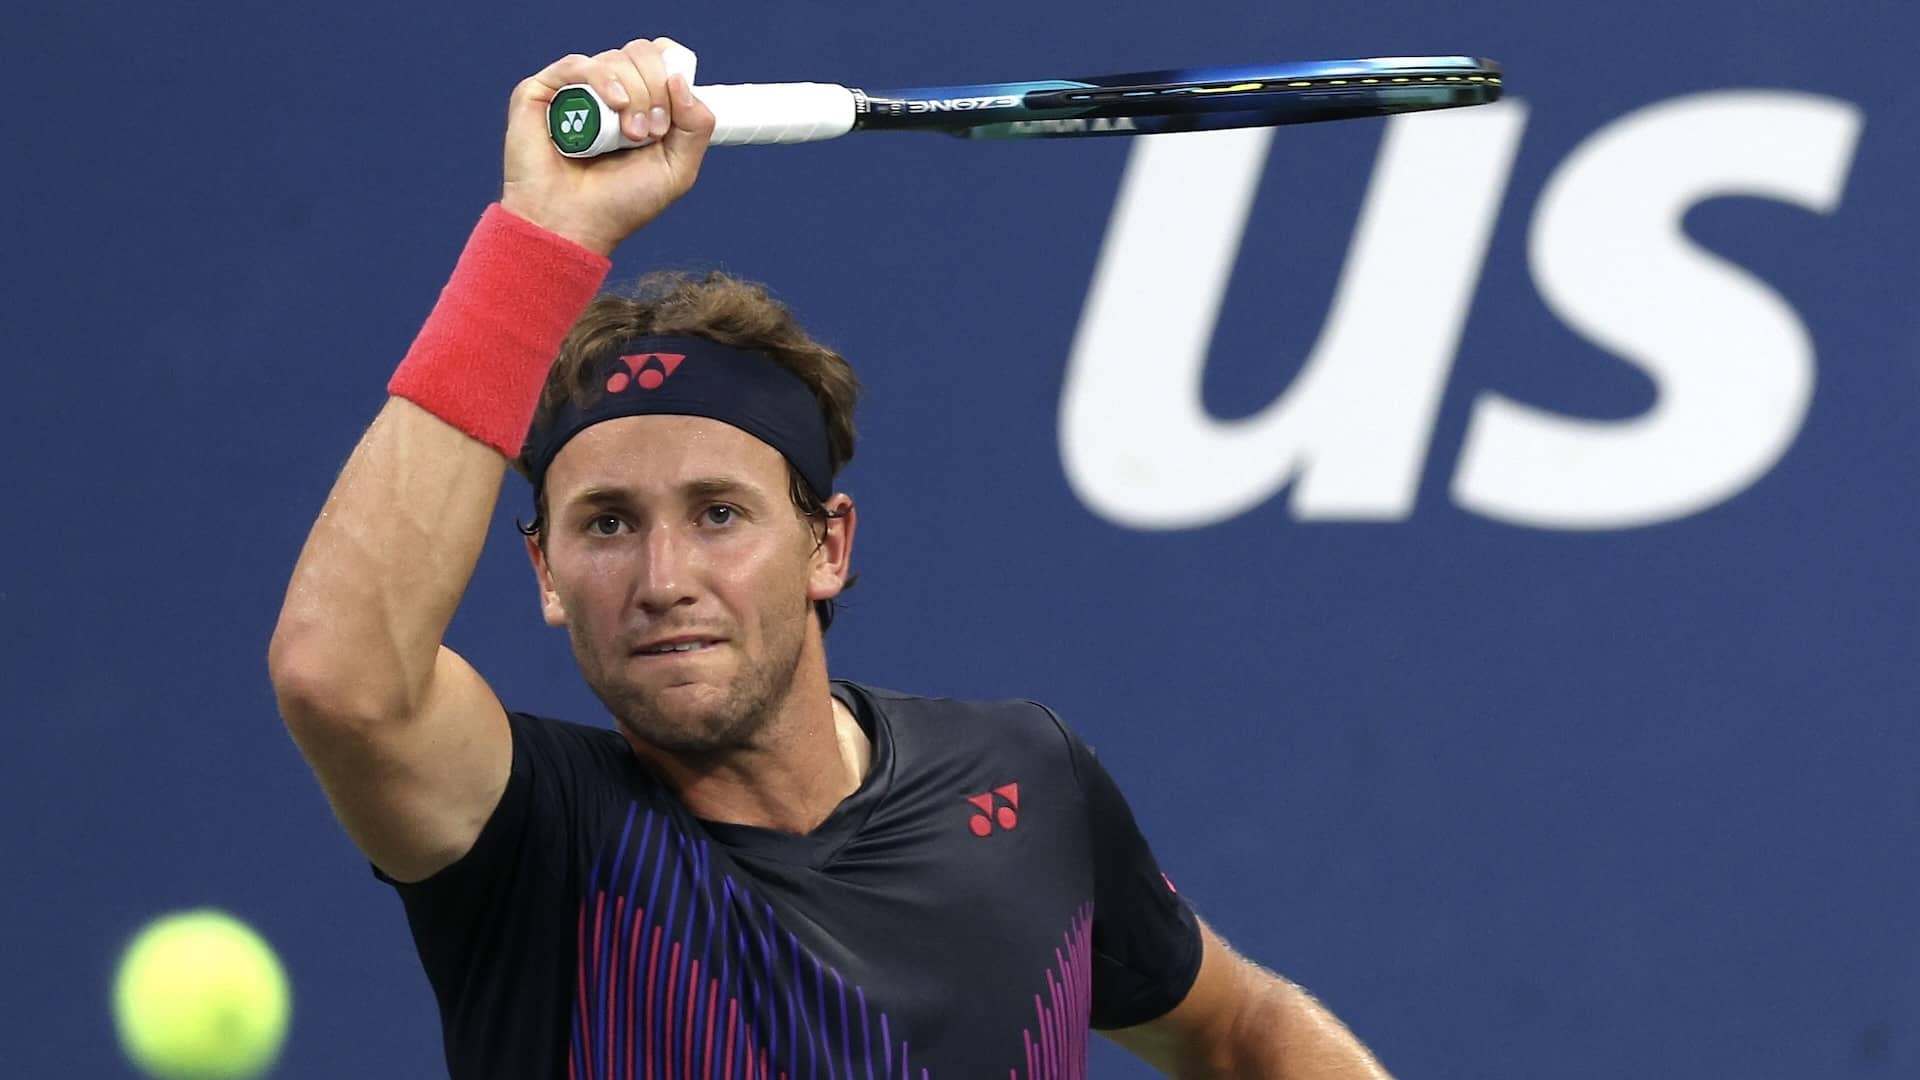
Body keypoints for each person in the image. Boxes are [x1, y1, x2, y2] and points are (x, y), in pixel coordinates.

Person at [269, 37, 1394, 1079]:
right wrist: (544, 239)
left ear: (828, 546)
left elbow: (1242, 1030)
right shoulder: (531, 840)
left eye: (719, 514)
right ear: (546, 575)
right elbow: (341, 675)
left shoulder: (1023, 780)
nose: (664, 579)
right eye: (606, 523)